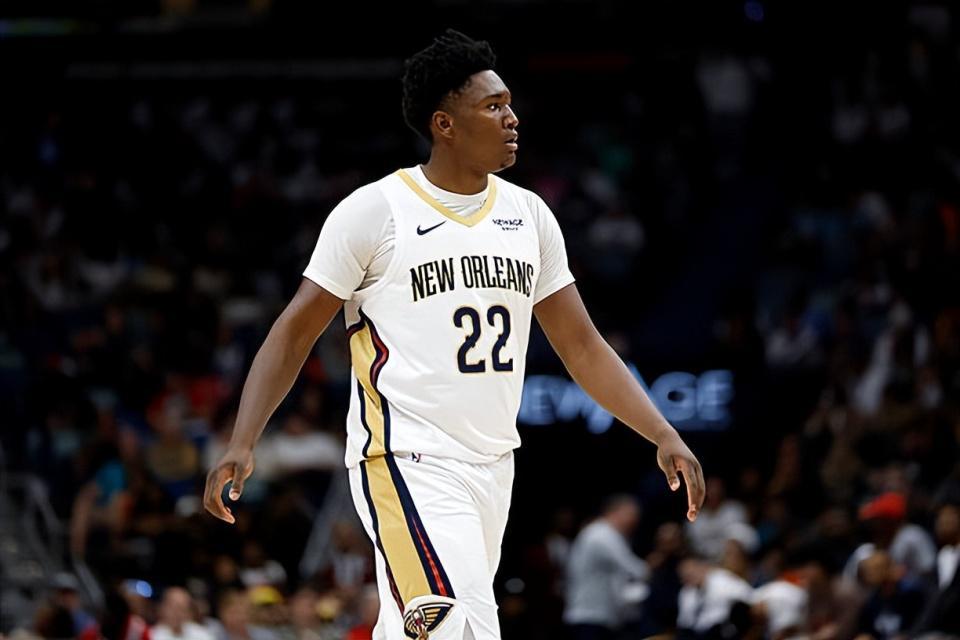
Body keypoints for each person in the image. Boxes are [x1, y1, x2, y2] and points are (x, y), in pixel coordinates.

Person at [203, 29, 704, 640]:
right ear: (445, 124)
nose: (512, 118)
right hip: (406, 459)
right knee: (456, 628)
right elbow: (293, 332)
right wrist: (243, 439)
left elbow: (582, 346)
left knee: (412, 630)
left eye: (509, 104)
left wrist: (661, 431)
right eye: (493, 106)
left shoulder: (530, 215)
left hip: (493, 465)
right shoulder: (376, 211)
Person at [563, 494, 649, 640]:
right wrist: (654, 567)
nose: (635, 521)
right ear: (615, 512)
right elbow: (635, 569)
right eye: (631, 515)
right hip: (590, 617)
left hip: (601, 617)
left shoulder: (604, 533)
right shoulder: (602, 534)